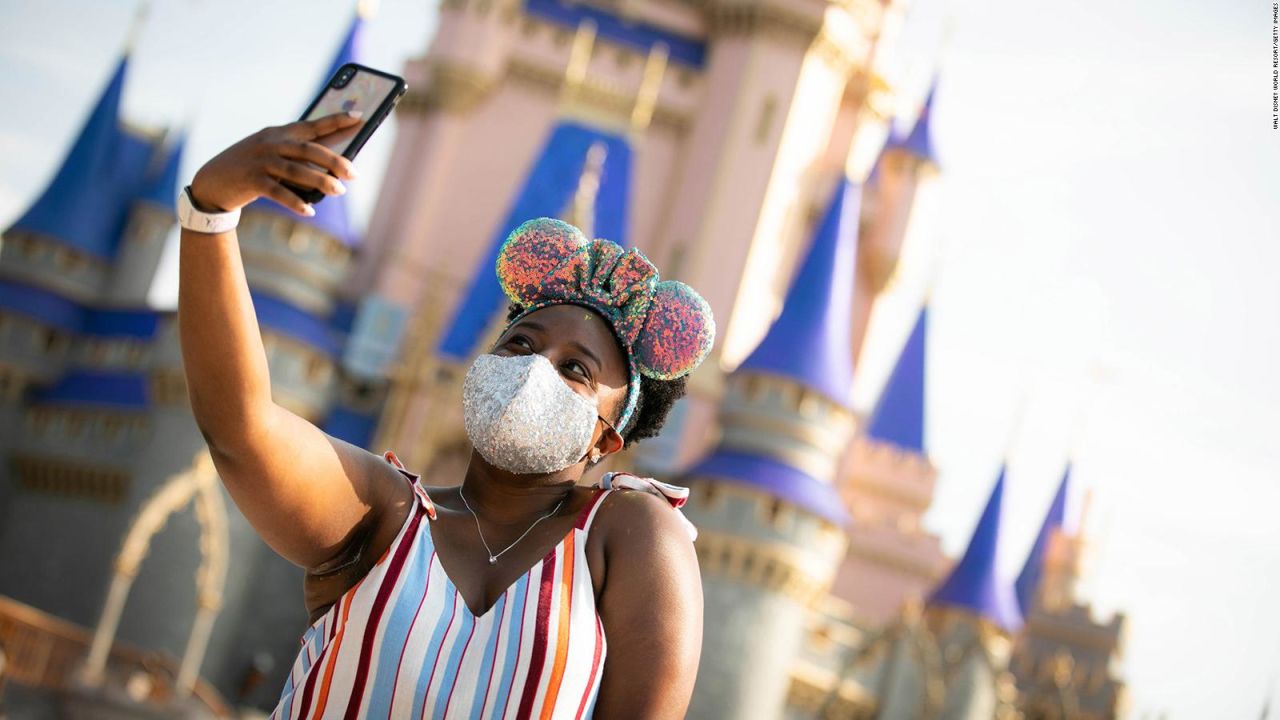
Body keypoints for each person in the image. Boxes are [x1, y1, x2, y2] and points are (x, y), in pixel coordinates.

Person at [176, 112, 717, 719]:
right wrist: (209, 214)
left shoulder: (627, 534)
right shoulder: (385, 513)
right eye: (520, 344)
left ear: (607, 440)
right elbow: (240, 430)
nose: (534, 367)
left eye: (575, 370)